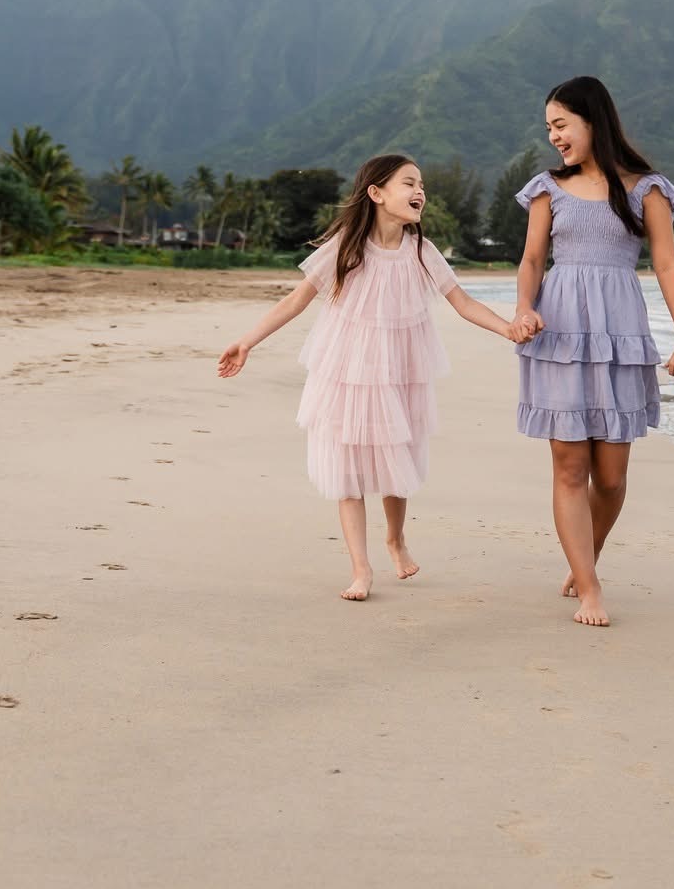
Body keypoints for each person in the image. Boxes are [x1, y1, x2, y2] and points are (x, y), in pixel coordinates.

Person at [218, 154, 522, 601]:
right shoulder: (347, 247)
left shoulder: (421, 249)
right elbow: (296, 301)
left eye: (421, 184)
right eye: (408, 183)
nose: (420, 191)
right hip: (347, 370)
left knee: (396, 463)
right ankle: (361, 569)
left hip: (400, 370)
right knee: (348, 469)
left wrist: (508, 328)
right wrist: (247, 341)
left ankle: (395, 539)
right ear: (377, 194)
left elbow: (463, 302)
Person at [512, 76, 674, 627]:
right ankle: (589, 585)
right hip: (561, 329)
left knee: (612, 477)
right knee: (570, 467)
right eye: (549, 128)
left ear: (592, 120)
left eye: (561, 125)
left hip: (620, 330)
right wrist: (524, 308)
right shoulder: (547, 187)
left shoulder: (647, 189)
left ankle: (583, 555)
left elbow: (666, 264)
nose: (554, 137)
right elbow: (530, 259)